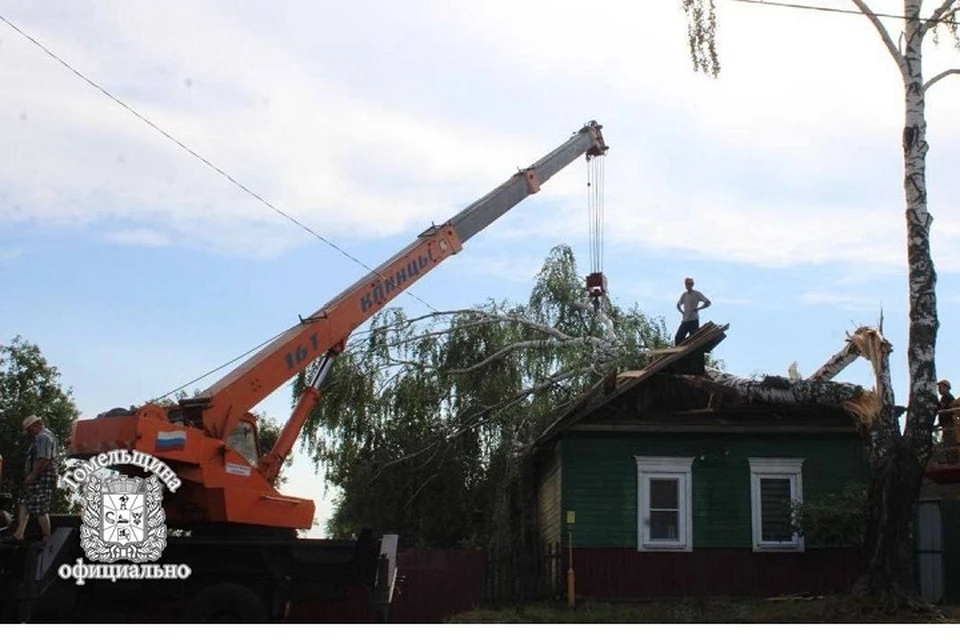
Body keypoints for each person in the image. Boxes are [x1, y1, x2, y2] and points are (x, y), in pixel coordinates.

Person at [10, 414, 58, 543]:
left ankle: (47, 536)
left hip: (42, 474)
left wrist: (33, 475)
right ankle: (19, 532)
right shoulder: (46, 436)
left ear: (36, 425)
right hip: (40, 474)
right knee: (24, 500)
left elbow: (44, 458)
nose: (29, 432)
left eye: (29, 429)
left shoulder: (43, 437)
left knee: (40, 506)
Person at [675, 277, 711, 345]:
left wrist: (699, 308)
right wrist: (682, 312)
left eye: (690, 284)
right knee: (678, 338)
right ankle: (679, 354)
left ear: (692, 285)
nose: (688, 285)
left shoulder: (696, 293)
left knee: (694, 339)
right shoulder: (684, 295)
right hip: (685, 320)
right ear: (685, 285)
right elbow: (678, 305)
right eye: (687, 284)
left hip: (693, 320)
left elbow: (708, 302)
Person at [937, 379, 956, 446]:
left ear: (946, 387)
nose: (938, 389)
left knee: (949, 443)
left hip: (949, 424)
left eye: (940, 387)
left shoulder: (947, 397)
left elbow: (942, 409)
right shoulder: (946, 397)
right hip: (947, 424)